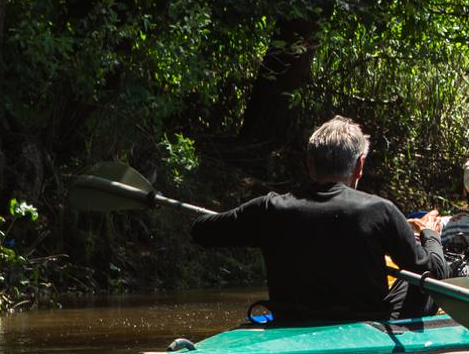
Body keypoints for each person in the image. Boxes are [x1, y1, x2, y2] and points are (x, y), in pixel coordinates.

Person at [190, 116, 448, 323]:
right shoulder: (380, 210)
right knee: (418, 283)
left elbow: (200, 231)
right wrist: (431, 235)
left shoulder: (270, 209)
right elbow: (434, 272)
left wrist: (254, 227)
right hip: (365, 324)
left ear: (309, 165)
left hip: (292, 319)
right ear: (360, 165)